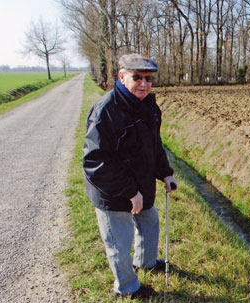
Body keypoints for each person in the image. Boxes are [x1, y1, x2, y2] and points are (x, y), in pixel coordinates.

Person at [83, 53, 177, 299]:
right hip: (112, 191)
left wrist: (165, 173)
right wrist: (128, 192)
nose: (144, 84)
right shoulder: (106, 111)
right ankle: (127, 288)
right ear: (122, 77)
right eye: (137, 78)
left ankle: (145, 263)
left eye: (148, 79)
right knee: (119, 242)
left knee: (149, 222)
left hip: (140, 184)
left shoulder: (148, 106)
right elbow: (95, 161)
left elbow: (154, 145)